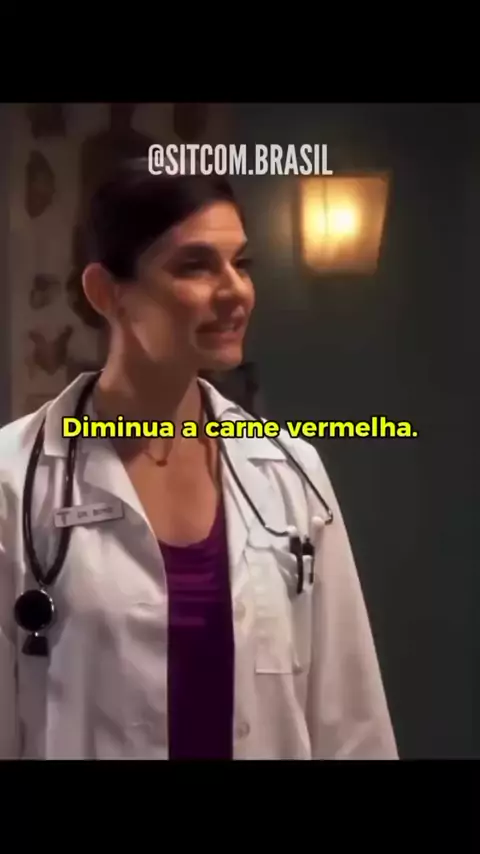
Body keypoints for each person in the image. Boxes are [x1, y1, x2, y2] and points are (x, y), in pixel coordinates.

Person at [0, 160, 398, 760]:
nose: (235, 291)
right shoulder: (14, 480)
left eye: (241, 263)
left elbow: (351, 721)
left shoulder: (291, 471)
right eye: (195, 265)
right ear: (107, 293)